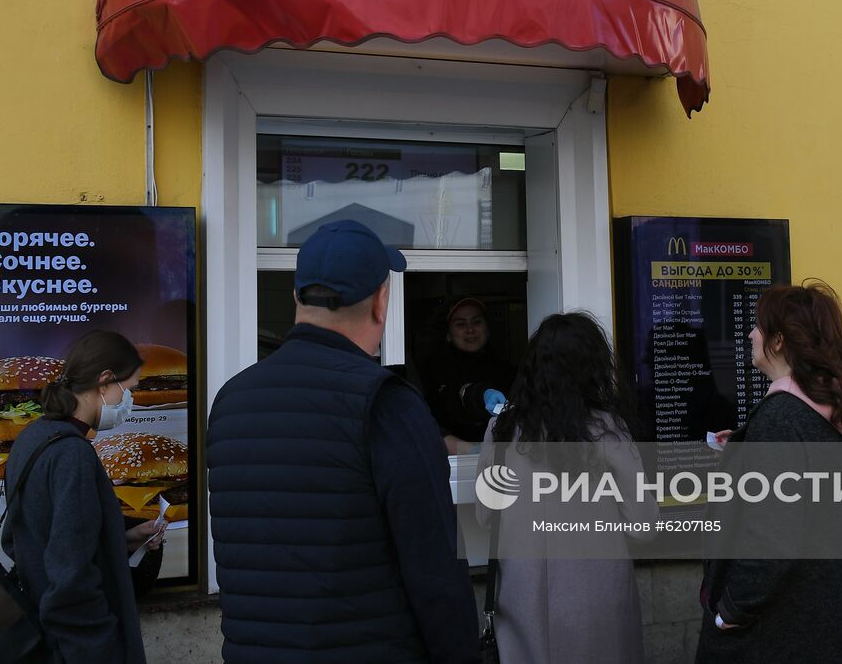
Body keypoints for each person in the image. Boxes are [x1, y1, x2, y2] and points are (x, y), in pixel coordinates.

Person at [207, 219, 480, 664]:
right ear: (381, 302)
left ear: (297, 297)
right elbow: (435, 573)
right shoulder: (386, 403)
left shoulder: (231, 401)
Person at [696, 281, 842, 664]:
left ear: (778, 342)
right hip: (817, 616)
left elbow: (771, 538)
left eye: (758, 326)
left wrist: (730, 611)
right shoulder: (818, 412)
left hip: (777, 629)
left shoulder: (781, 419)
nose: (749, 334)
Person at [475, 311, 656, 663]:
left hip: (520, 598)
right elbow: (644, 525)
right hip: (598, 600)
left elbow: (486, 516)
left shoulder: (501, 429)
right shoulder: (607, 430)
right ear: (592, 367)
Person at [3, 329, 160, 664]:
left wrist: (122, 537)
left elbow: (23, 537)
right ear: (104, 381)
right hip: (76, 647)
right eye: (128, 389)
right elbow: (71, 573)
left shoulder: (32, 436)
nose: (128, 402)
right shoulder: (72, 453)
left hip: (46, 632)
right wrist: (99, 645)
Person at [426, 297, 515, 455]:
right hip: (453, 464)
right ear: (448, 334)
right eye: (461, 324)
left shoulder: (506, 370)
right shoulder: (433, 372)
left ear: (487, 329)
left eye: (477, 322)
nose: (470, 330)